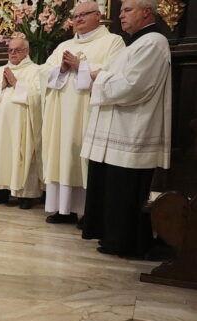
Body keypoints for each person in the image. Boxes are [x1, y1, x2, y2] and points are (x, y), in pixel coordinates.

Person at [81, 0, 171, 258]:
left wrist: (100, 76)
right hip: (118, 129)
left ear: (147, 12)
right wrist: (101, 76)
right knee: (113, 188)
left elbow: (132, 86)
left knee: (125, 190)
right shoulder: (135, 44)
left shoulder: (154, 42)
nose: (120, 16)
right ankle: (112, 238)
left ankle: (127, 242)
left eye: (127, 10)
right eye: (120, 10)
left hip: (132, 130)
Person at [39, 1, 125, 224]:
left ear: (98, 15)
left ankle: (88, 212)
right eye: (75, 16)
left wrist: (81, 66)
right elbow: (43, 72)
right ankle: (62, 208)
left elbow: (115, 75)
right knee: (62, 155)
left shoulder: (113, 42)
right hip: (60, 115)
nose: (78, 19)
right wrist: (62, 69)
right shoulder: (63, 46)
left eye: (83, 15)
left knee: (84, 160)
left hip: (89, 113)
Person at [0, 36, 43, 209]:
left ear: (27, 51)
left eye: (18, 50)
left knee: (22, 152)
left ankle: (26, 195)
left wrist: (16, 84)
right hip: (0, 126)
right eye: (10, 50)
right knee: (1, 153)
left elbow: (39, 95)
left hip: (22, 124)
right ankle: (1, 191)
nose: (13, 53)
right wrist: (1, 85)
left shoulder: (36, 70)